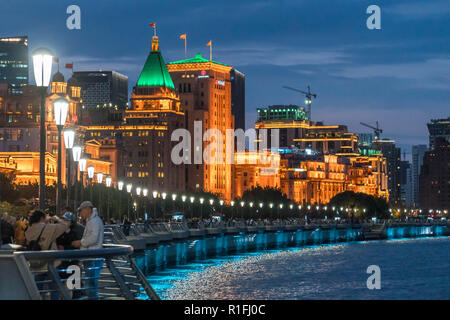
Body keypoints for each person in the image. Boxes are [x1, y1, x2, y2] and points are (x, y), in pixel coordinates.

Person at [71, 201, 104, 299]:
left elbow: (94, 238)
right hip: (92, 257)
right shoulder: (92, 220)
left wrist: (80, 242)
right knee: (91, 285)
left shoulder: (93, 221)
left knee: (91, 285)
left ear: (88, 209)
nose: (80, 214)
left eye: (81, 211)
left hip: (92, 257)